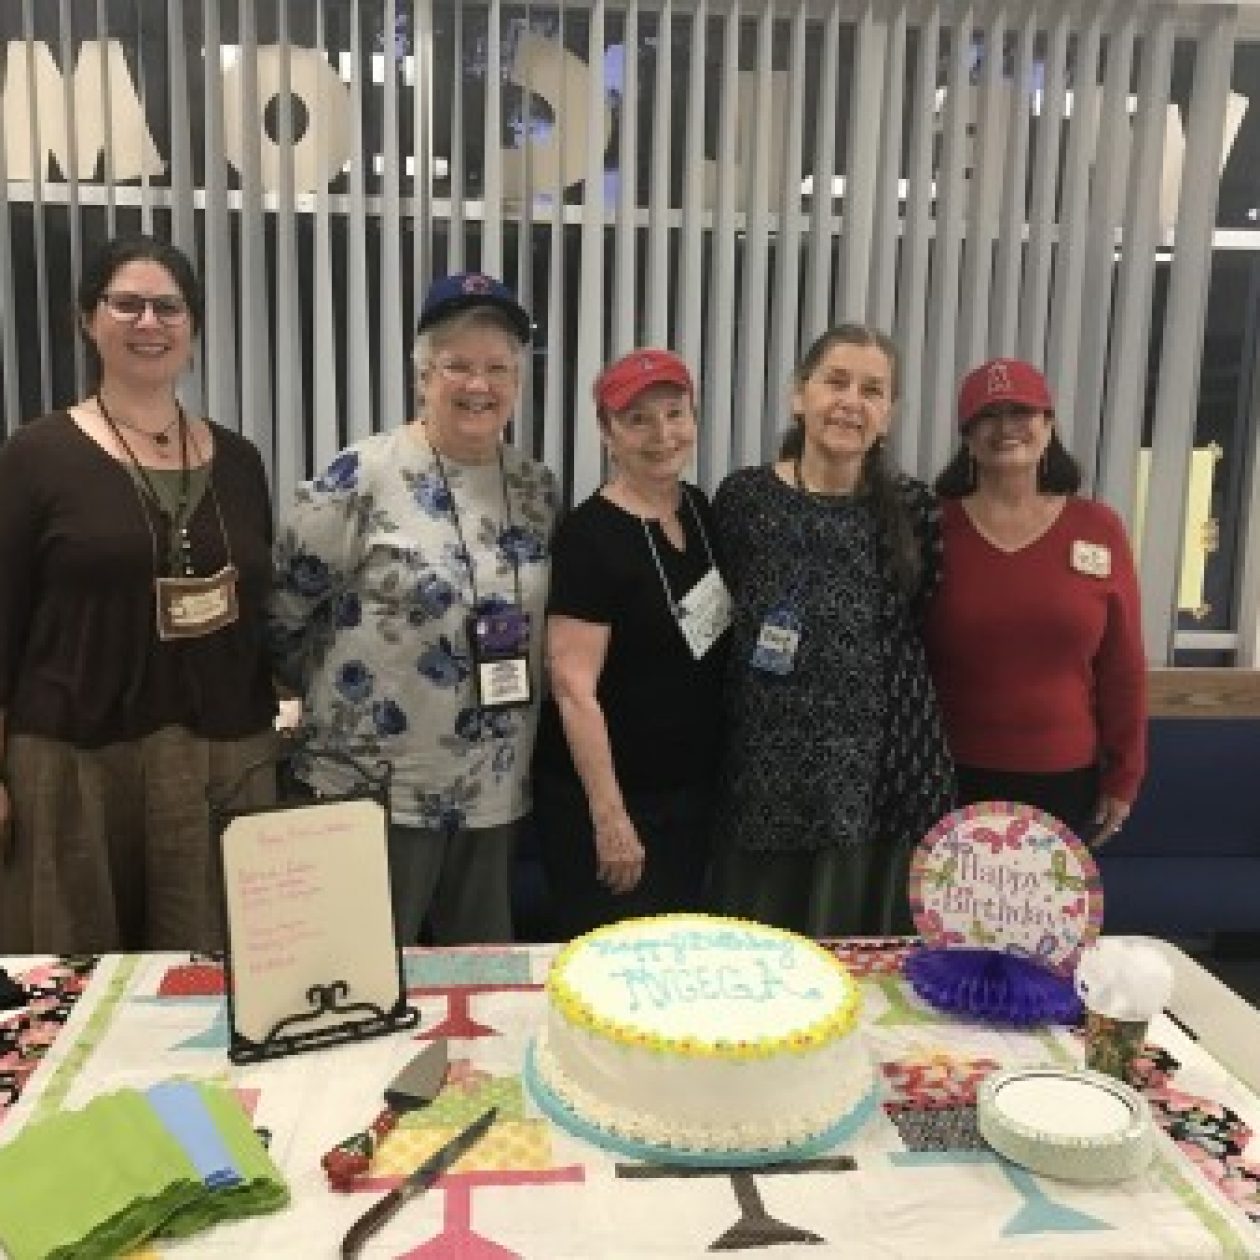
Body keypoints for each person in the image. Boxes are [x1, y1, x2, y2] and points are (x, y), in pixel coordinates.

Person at [0, 234, 278, 953]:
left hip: (221, 760)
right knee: (76, 975)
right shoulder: (35, 456)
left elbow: (260, 609)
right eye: (126, 304)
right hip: (75, 761)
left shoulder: (241, 461)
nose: (148, 322)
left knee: (206, 977)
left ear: (192, 325)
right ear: (87, 319)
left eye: (168, 307)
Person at [268, 272, 557, 945]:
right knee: (367, 975)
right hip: (373, 783)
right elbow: (281, 613)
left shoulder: (536, 487)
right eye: (458, 365)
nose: (479, 385)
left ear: (517, 382)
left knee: (480, 978)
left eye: (498, 368)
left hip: (493, 786)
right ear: (423, 375)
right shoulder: (360, 476)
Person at [710, 324, 953, 937]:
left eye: (872, 390)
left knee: (859, 957)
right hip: (765, 766)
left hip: (883, 769)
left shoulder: (916, 509)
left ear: (888, 413)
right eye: (836, 382)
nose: (852, 401)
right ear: (800, 395)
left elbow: (918, 618)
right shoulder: (744, 498)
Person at [533, 350, 729, 936]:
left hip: (689, 797)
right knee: (612, 962)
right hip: (614, 807)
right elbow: (573, 689)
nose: (661, 434)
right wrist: (610, 818)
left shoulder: (700, 509)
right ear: (607, 433)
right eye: (637, 419)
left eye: (674, 413)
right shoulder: (588, 538)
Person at [925, 357, 1146, 844]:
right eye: (988, 415)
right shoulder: (930, 528)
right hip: (945, 775)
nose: (1006, 427)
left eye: (1021, 411)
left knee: (1045, 899)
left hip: (1066, 780)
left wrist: (1125, 774)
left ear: (1048, 425)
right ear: (967, 437)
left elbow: (1122, 665)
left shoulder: (1099, 528)